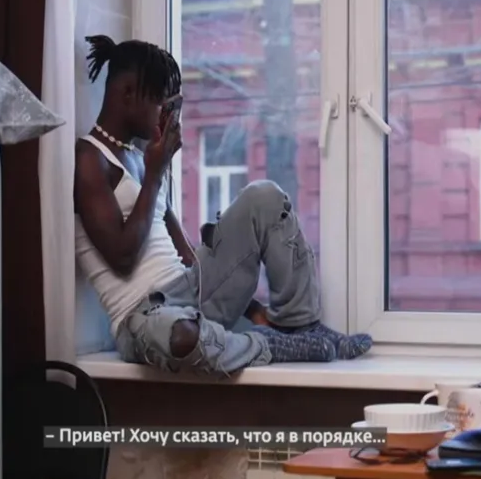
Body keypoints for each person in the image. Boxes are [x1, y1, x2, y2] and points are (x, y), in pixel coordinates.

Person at [74, 35, 373, 377]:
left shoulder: (143, 156)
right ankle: (271, 345)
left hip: (190, 291)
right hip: (144, 316)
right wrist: (156, 172)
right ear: (128, 94)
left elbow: (186, 254)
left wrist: (254, 309)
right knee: (183, 337)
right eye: (161, 101)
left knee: (264, 197)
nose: (169, 113)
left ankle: (301, 328)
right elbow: (122, 257)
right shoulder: (90, 159)